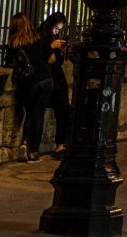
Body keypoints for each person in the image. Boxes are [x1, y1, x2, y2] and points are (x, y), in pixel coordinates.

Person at [8, 14, 55, 160]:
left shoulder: (14, 43)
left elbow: (10, 61)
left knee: (29, 114)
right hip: (45, 79)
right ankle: (33, 151)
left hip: (28, 83)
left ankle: (25, 143)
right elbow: (52, 59)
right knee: (38, 115)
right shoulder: (40, 38)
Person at [41, 12, 73, 157]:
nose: (57, 32)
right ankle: (29, 144)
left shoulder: (54, 37)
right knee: (37, 111)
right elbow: (40, 55)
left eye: (59, 29)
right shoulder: (41, 35)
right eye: (56, 28)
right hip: (47, 76)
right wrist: (51, 46)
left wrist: (60, 49)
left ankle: (61, 144)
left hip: (57, 77)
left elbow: (58, 61)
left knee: (64, 109)